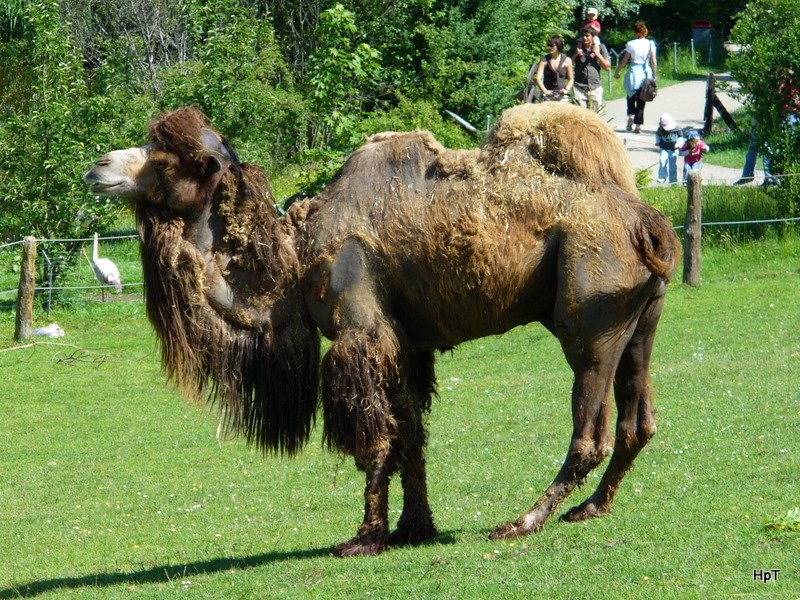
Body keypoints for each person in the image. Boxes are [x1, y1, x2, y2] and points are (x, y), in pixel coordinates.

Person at [613, 21, 657, 134]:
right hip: (645, 73)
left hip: (633, 72)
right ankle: (638, 126)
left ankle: (631, 115)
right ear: (645, 31)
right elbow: (653, 61)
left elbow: (624, 60)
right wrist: (654, 74)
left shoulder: (631, 44)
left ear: (635, 32)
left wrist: (617, 71)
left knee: (631, 96)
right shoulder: (650, 44)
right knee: (642, 99)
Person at [571, 26, 610, 112]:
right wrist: (576, 54)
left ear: (593, 37)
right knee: (579, 115)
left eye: (587, 35)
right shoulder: (576, 47)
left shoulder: (601, 47)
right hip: (579, 87)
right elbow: (568, 64)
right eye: (583, 36)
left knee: (595, 116)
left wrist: (597, 53)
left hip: (594, 86)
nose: (585, 38)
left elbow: (607, 67)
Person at [535, 35, 574, 102]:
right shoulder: (544, 60)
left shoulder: (567, 60)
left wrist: (566, 90)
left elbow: (571, 79)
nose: (549, 47)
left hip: (562, 97)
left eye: (552, 45)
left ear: (559, 46)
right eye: (548, 45)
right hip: (548, 96)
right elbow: (538, 78)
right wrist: (545, 91)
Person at [655, 113, 682, 184]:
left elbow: (681, 137)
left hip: (674, 150)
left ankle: (673, 181)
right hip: (664, 148)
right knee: (662, 160)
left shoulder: (677, 128)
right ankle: (662, 177)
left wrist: (678, 144)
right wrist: (657, 141)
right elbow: (657, 135)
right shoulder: (660, 129)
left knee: (672, 166)